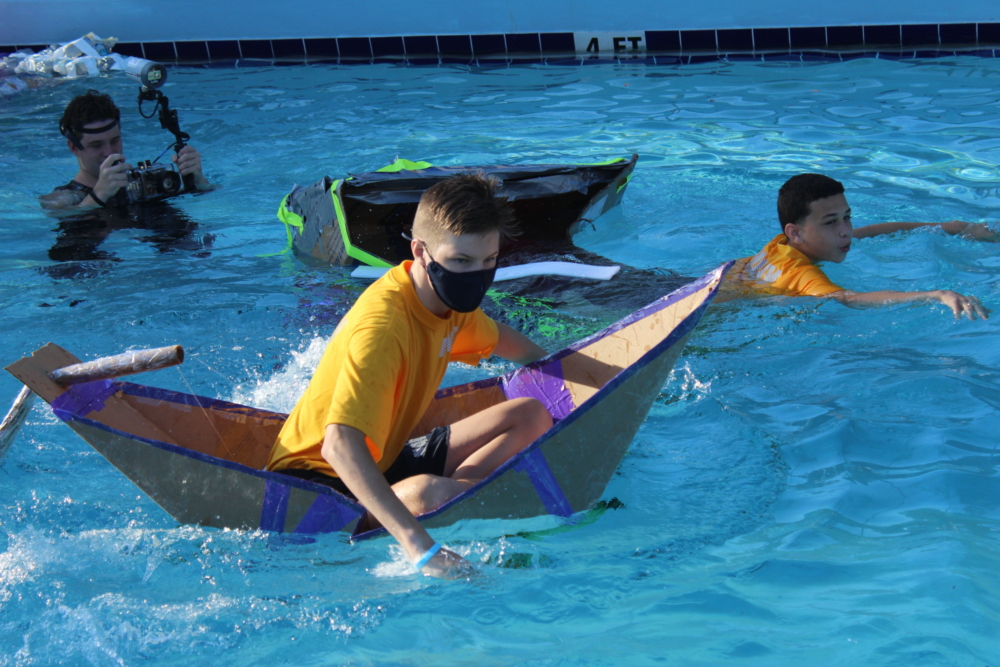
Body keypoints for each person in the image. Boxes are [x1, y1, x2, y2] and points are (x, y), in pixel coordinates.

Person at [267, 174, 553, 578]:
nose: (478, 274)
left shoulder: (449, 301)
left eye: (489, 260)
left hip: (384, 458)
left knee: (530, 414)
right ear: (421, 251)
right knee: (425, 493)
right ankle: (466, 506)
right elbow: (339, 446)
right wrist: (421, 548)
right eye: (461, 261)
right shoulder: (383, 327)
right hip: (319, 487)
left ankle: (462, 496)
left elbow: (509, 343)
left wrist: (575, 367)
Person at [729, 173, 992, 319]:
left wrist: (951, 226)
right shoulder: (798, 271)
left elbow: (872, 232)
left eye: (847, 217)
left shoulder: (783, 245)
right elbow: (847, 298)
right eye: (831, 222)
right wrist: (935, 295)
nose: (846, 231)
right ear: (795, 233)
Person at [39, 89, 209, 210]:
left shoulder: (144, 182)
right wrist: (99, 195)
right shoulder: (64, 198)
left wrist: (198, 181)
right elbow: (62, 219)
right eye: (96, 145)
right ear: (74, 148)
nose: (109, 152)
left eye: (115, 140)